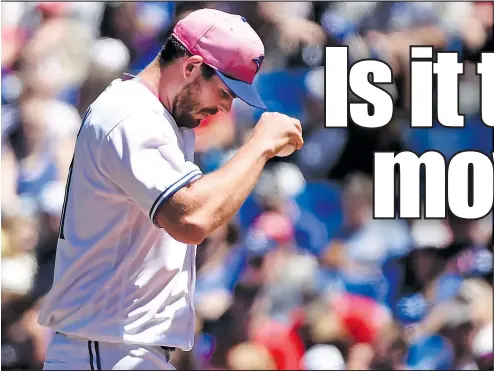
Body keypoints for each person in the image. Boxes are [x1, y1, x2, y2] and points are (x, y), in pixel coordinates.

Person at [37, 8, 304, 371]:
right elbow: (191, 219)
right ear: (192, 67)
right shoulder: (132, 115)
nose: (226, 106)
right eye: (224, 91)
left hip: (118, 347)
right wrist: (259, 146)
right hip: (107, 348)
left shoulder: (163, 118)